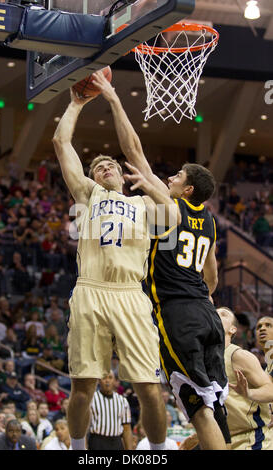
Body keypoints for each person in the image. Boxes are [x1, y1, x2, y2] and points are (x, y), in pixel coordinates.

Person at [91, 70, 229, 450]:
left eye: (178, 174)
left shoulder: (169, 207)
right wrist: (202, 299)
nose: (169, 175)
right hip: (206, 311)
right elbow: (213, 278)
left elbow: (134, 151)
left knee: (197, 408)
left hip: (178, 313)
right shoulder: (211, 223)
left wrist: (114, 98)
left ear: (187, 188)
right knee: (213, 407)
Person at [52, 86, 179, 451]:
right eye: (97, 166)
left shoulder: (143, 203)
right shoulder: (88, 195)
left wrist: (113, 98)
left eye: (109, 165)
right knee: (82, 388)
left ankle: (155, 453)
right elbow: (62, 144)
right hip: (91, 290)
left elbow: (169, 212)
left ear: (122, 175)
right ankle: (78, 450)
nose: (104, 167)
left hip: (130, 295)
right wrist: (76, 103)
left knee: (150, 390)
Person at [180, 308, 273, 450]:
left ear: (233, 329)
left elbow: (270, 390)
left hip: (252, 439)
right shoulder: (202, 361)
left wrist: (249, 393)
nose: (216, 315)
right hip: (222, 440)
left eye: (223, 314)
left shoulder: (238, 355)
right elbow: (217, 410)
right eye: (214, 312)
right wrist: (199, 436)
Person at [88, 371, 133, 450]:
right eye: (104, 378)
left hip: (116, 442)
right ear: (99, 380)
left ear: (115, 381)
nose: (107, 381)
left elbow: (127, 429)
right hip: (97, 442)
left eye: (110, 378)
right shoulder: (91, 399)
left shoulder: (123, 401)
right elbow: (85, 427)